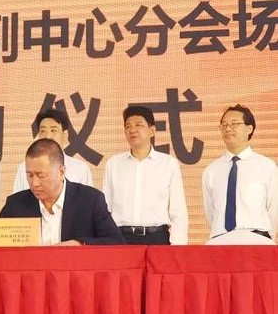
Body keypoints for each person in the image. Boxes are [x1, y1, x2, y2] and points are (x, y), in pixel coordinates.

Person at [0, 138, 124, 245]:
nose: (34, 183)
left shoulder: (90, 201)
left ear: (62, 171)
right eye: (30, 175)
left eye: (41, 175)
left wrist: (80, 244)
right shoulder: (15, 204)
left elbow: (116, 242)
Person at [102, 106, 189, 245]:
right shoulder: (113, 164)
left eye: (138, 125)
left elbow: (178, 213)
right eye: (128, 126)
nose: (132, 130)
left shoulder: (168, 164)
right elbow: (105, 210)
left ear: (152, 130)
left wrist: (178, 248)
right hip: (121, 239)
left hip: (157, 238)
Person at [202, 104, 277, 242]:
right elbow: (210, 212)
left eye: (234, 124)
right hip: (221, 240)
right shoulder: (211, 170)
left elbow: (274, 210)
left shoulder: (267, 166)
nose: (228, 129)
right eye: (224, 125)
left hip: (257, 240)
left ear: (249, 128)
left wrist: (265, 239)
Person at [12, 109, 92, 192]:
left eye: (53, 130)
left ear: (65, 135)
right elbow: (17, 199)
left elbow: (88, 199)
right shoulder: (24, 168)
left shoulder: (81, 169)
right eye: (43, 131)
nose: (47, 136)